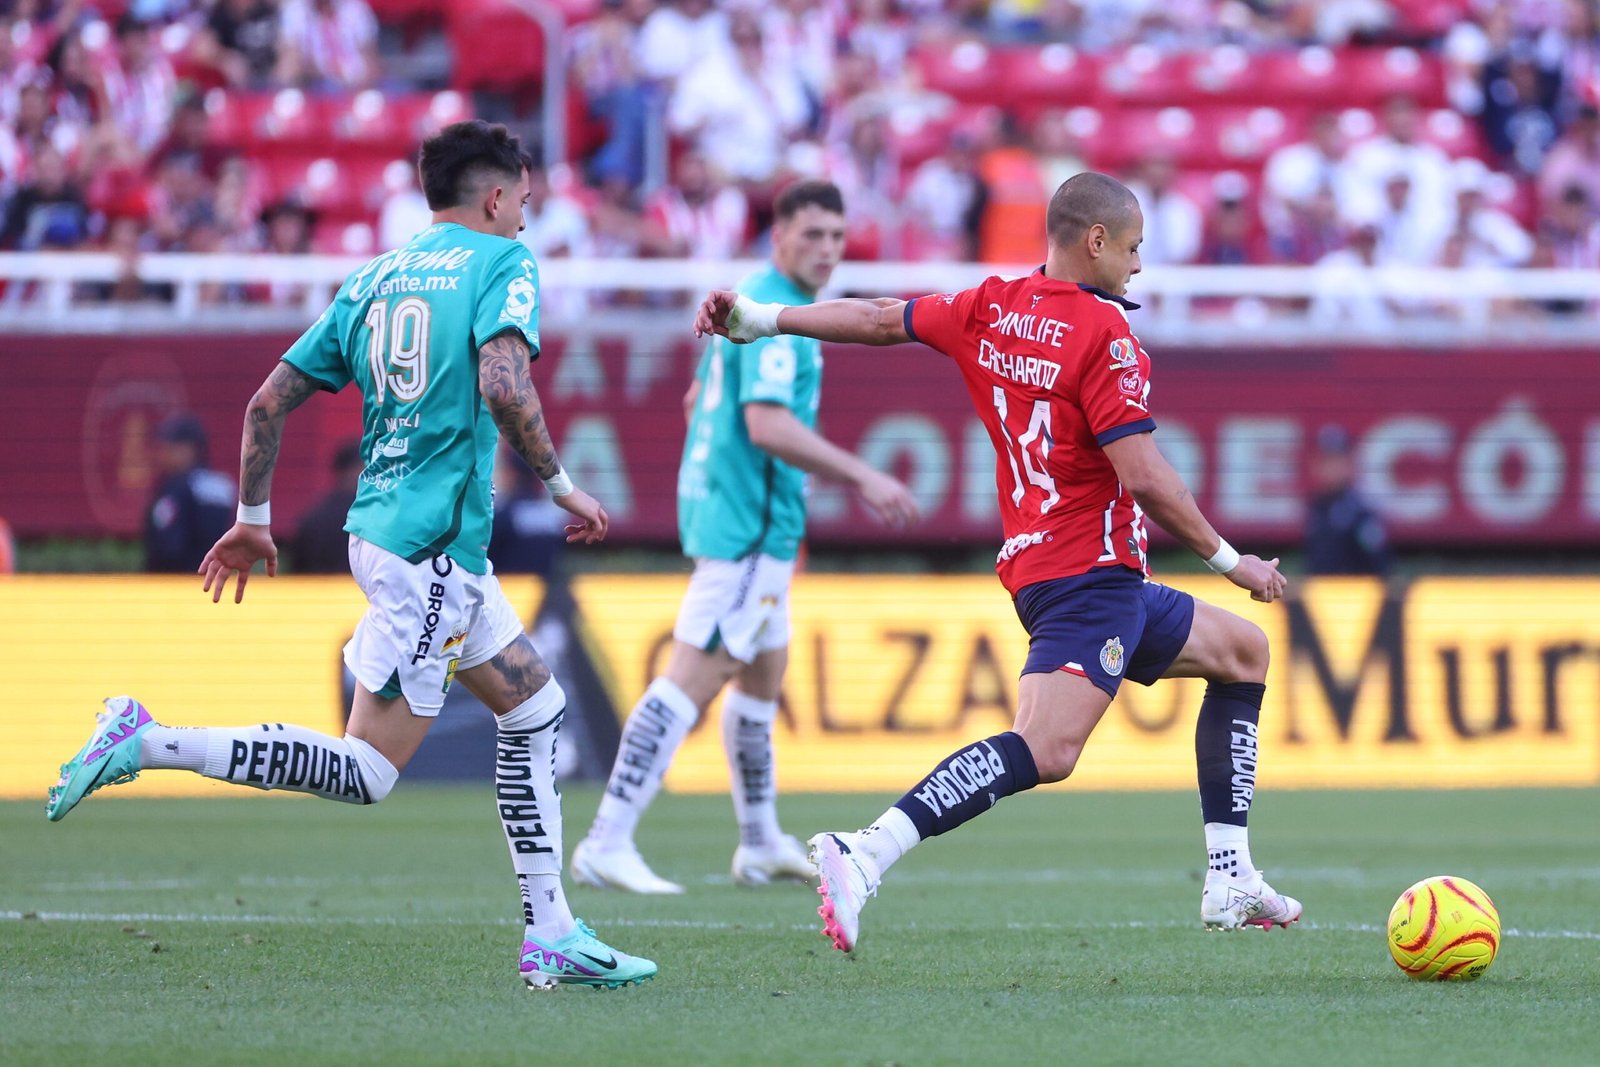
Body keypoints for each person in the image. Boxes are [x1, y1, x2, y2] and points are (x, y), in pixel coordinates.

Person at [46, 120, 656, 991]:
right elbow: (502, 382)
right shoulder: (503, 263)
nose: (528, 214)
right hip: (433, 552)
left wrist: (254, 516)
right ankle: (148, 740)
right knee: (366, 772)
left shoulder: (374, 276)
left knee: (535, 708)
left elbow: (266, 404)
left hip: (394, 536)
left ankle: (552, 930)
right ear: (494, 196)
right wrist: (559, 484)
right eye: (522, 198)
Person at [692, 171, 1300, 953]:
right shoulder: (1107, 337)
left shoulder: (989, 305)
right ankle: (866, 850)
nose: (1139, 266)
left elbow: (880, 319)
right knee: (1046, 749)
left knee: (1242, 652)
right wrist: (1230, 561)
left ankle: (1230, 873)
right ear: (1097, 241)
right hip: (1092, 576)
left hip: (1054, 566)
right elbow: (1146, 477)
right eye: (1136, 248)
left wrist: (762, 317)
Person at [571, 180, 920, 895]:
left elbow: (698, 396)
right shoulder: (779, 319)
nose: (827, 249)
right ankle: (607, 839)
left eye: (836, 235)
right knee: (693, 679)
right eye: (812, 234)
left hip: (731, 513)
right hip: (751, 527)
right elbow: (766, 425)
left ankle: (759, 840)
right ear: (779, 237)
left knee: (762, 678)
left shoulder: (749, 300)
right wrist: (864, 476)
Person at [143, 413, 236, 573]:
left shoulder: (175, 488)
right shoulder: (224, 485)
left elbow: (167, 547)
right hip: (217, 580)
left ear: (189, 449)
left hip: (177, 584)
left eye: (169, 447)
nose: (163, 453)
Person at [1303, 425, 1389, 577]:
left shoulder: (1362, 512)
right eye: (1327, 461)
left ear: (1350, 464)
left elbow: (1379, 565)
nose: (1332, 468)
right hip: (1320, 595)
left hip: (1358, 596)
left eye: (1338, 460)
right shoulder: (1316, 507)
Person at [289, 439, 363, 574]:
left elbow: (296, 569)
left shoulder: (313, 516)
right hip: (359, 592)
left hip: (315, 592)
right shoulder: (375, 516)